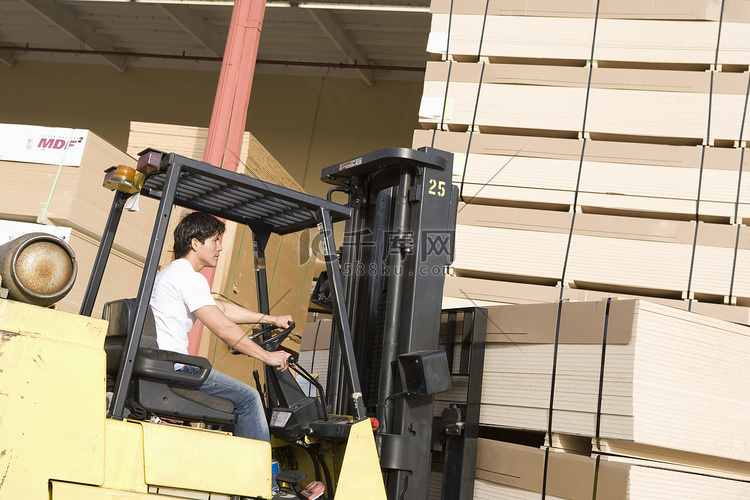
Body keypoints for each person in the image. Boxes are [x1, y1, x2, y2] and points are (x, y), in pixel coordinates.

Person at [149, 211, 292, 442]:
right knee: (249, 398)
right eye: (215, 240)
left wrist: (270, 319)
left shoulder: (172, 274)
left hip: (163, 365)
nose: (220, 248)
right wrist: (267, 356)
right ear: (195, 243)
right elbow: (224, 328)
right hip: (176, 369)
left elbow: (221, 310)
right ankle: (260, 476)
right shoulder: (188, 277)